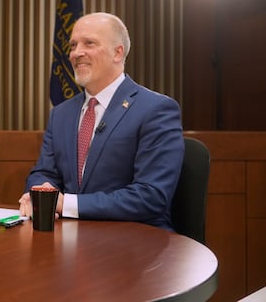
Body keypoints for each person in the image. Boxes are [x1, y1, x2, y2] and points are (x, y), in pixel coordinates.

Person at [19, 12, 183, 230]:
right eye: (73, 45)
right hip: (70, 240)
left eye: (89, 43)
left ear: (118, 53)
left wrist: (64, 203)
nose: (76, 53)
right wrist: (41, 194)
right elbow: (44, 172)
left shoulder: (156, 109)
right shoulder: (61, 113)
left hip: (138, 243)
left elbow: (151, 195)